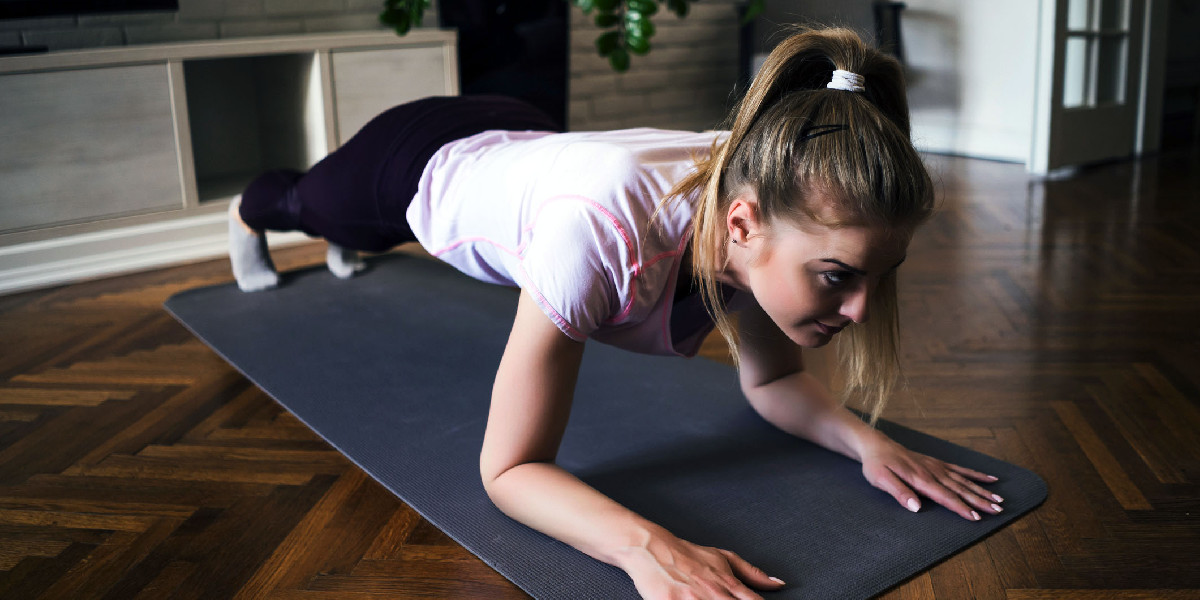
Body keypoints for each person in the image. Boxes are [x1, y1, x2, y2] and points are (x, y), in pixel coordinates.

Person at [229, 27, 1004, 600]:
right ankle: (247, 213)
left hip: (520, 134)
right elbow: (507, 469)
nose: (860, 311)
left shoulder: (774, 186)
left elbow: (772, 385)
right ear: (740, 225)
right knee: (308, 206)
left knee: (342, 228)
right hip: (413, 166)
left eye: (876, 276)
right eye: (837, 277)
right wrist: (644, 546)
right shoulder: (600, 236)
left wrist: (867, 445)